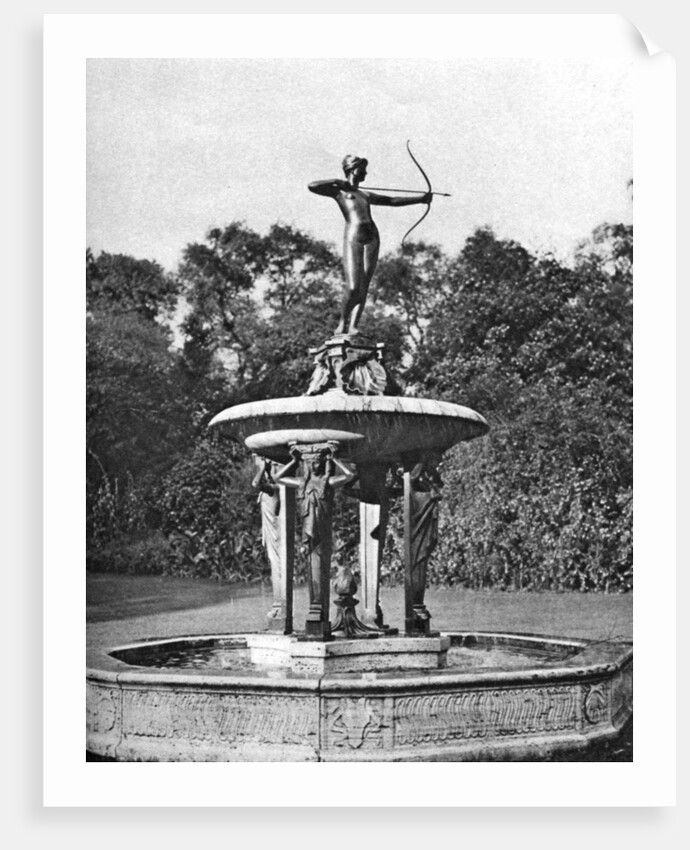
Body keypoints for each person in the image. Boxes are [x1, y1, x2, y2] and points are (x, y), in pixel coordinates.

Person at [309, 155, 432, 335]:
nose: (365, 173)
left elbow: (391, 201)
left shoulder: (365, 194)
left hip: (372, 236)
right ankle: (343, 323)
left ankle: (353, 326)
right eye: (361, 169)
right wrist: (337, 182)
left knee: (364, 286)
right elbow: (312, 186)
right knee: (353, 287)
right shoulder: (339, 192)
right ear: (351, 169)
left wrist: (420, 199)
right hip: (354, 236)